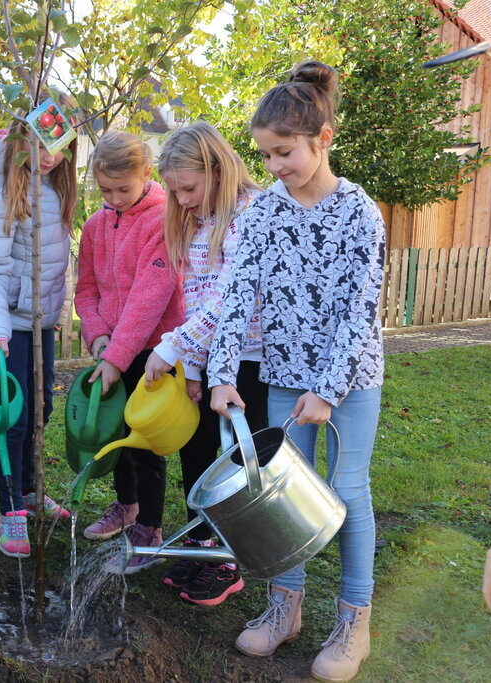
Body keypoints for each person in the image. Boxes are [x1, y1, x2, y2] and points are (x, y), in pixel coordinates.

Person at [207, 61, 385, 682]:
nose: (275, 166)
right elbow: (235, 295)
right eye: (266, 154)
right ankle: (285, 609)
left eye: (284, 152)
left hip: (350, 382)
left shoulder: (360, 213)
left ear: (323, 138)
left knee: (348, 491)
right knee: (281, 494)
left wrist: (329, 391)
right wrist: (221, 373)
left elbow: (360, 311)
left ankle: (353, 620)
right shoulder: (263, 213)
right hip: (284, 375)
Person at [143, 121, 265, 604]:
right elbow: (196, 300)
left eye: (189, 187)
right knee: (195, 451)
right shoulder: (201, 219)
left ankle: (232, 556)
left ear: (217, 169)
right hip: (209, 356)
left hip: (252, 359)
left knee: (240, 457)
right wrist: (193, 368)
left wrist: (172, 347)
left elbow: (231, 299)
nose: (183, 198)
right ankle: (202, 542)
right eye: (175, 190)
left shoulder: (252, 214)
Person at [0, 102, 78, 558]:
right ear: (19, 136)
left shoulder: (55, 186)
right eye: (38, 140)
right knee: (12, 418)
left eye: (58, 143)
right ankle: (10, 509)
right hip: (4, 322)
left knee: (42, 406)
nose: (48, 154)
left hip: (40, 322)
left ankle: (30, 490)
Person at [73, 131, 185, 576]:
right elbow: (86, 290)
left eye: (124, 189)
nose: (115, 199)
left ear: (146, 175)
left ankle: (151, 529)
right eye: (105, 191)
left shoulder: (162, 220)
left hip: (153, 350)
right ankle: (127, 507)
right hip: (111, 349)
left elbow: (148, 298)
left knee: (145, 439)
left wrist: (116, 358)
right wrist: (99, 340)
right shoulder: (97, 225)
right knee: (115, 433)